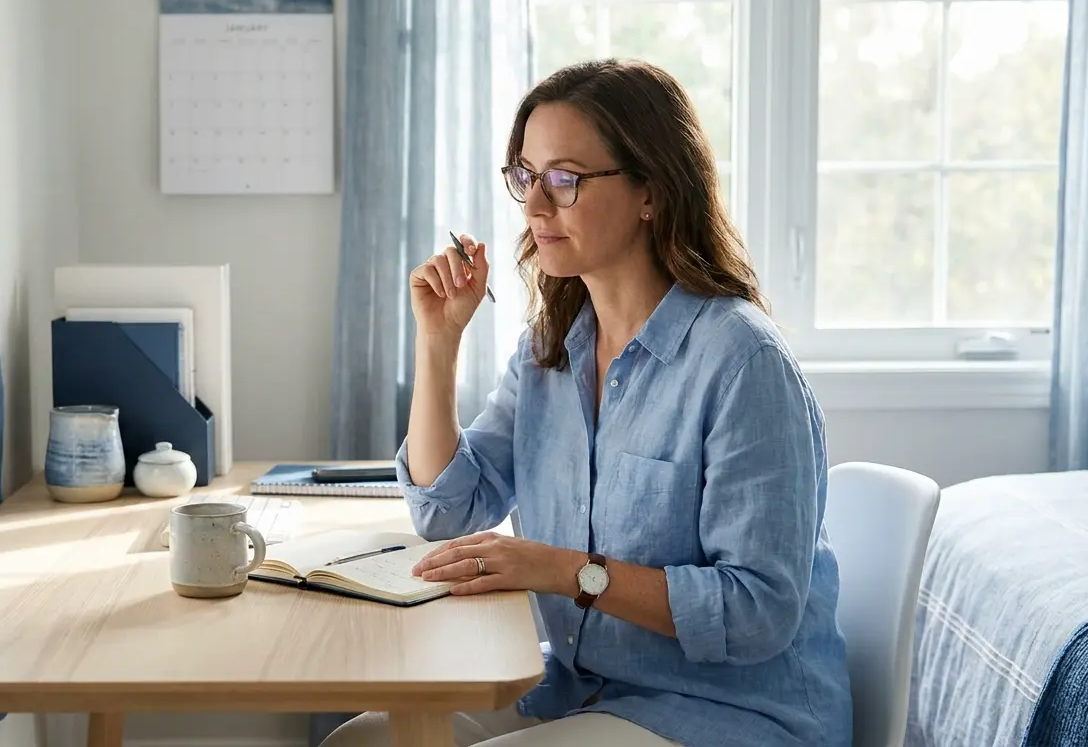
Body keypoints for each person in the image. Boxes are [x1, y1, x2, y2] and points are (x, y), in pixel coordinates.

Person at [319, 59, 853, 747]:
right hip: (585, 689)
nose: (535, 206)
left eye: (565, 180)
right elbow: (445, 510)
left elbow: (757, 612)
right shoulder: (553, 347)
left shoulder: (743, 363)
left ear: (650, 192)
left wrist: (563, 570)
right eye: (526, 177)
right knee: (358, 742)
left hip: (732, 715)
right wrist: (438, 343)